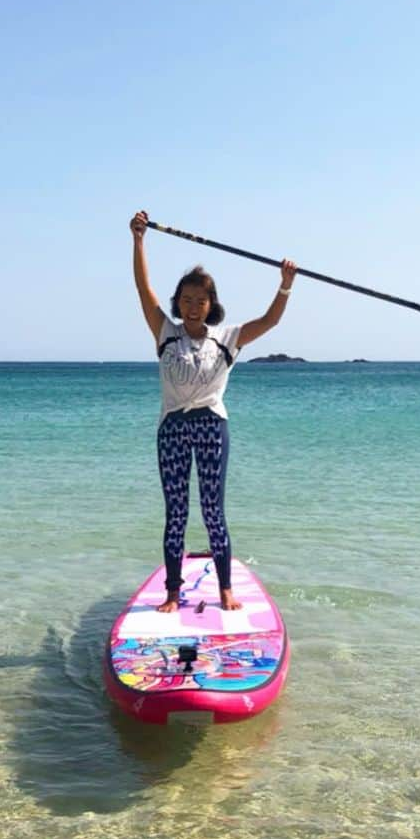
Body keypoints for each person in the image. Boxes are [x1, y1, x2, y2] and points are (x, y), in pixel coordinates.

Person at [130, 209, 297, 613]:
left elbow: (270, 321)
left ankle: (225, 588)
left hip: (211, 427)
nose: (192, 306)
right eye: (185, 300)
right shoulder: (164, 332)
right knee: (176, 512)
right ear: (178, 303)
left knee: (212, 510)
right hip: (172, 428)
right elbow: (142, 286)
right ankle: (172, 592)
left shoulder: (228, 338)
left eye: (199, 300)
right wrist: (138, 241)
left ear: (210, 305)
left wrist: (286, 284)